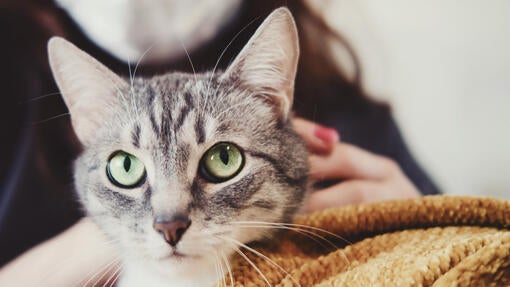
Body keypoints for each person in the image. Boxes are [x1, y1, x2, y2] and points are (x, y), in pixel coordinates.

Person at [0, 0, 439, 285]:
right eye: (127, 168)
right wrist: (79, 252)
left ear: (277, 97)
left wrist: (422, 233)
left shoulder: (351, 115)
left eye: (221, 159)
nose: (168, 218)